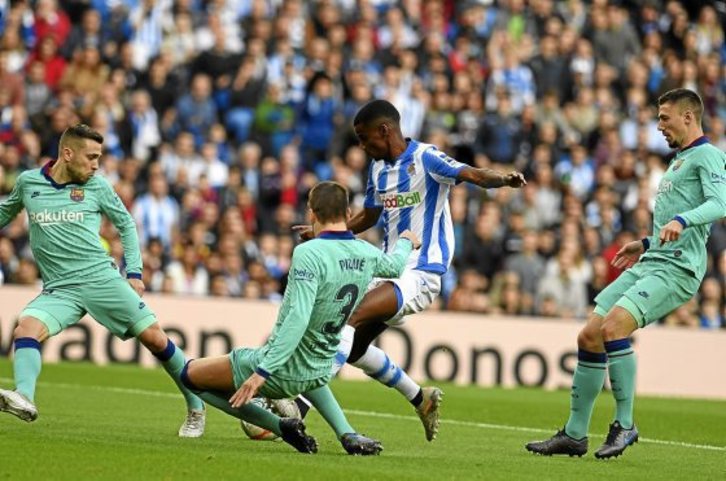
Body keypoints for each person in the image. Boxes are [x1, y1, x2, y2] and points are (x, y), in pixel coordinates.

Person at [291, 99, 526, 441]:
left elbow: (474, 174)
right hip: (390, 267)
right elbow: (368, 217)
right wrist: (324, 232)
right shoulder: (377, 170)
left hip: (422, 272)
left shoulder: (426, 158)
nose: (362, 146)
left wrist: (503, 179)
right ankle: (420, 398)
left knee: (350, 314)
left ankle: (297, 406)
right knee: (354, 349)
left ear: (385, 130)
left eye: (365, 138)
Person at [526, 88, 726, 459]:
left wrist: (683, 220)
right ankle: (574, 435)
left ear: (688, 116)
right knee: (589, 335)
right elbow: (673, 225)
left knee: (613, 328)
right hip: (653, 260)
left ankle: (625, 424)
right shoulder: (679, 160)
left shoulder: (708, 155)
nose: (659, 126)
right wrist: (646, 243)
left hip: (678, 269)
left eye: (664, 118)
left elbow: (720, 203)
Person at [180, 180, 421, 454]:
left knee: (189, 375)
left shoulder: (307, 253)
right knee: (307, 363)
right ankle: (348, 433)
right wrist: (406, 241)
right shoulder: (366, 252)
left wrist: (262, 372)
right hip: (320, 369)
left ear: (312, 213)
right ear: (348, 213)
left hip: (280, 370)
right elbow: (395, 266)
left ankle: (280, 425)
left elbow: (298, 317)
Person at [0, 124, 206, 437]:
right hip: (59, 288)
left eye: (99, 157)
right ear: (67, 154)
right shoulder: (29, 182)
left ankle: (196, 405)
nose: (97, 164)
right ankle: (24, 397)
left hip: (100, 279)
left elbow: (126, 224)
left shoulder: (97, 186)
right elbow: (5, 212)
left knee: (155, 339)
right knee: (25, 328)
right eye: (91, 157)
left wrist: (134, 272)